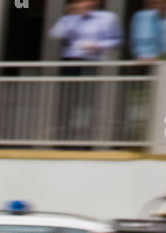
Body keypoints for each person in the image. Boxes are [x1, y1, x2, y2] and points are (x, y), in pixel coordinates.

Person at [49, 0, 123, 146]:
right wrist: (71, 15)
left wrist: (98, 46)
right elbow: (55, 34)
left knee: (87, 102)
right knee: (67, 101)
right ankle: (62, 139)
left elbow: (117, 40)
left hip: (92, 62)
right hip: (71, 62)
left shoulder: (107, 18)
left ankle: (85, 140)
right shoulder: (70, 18)